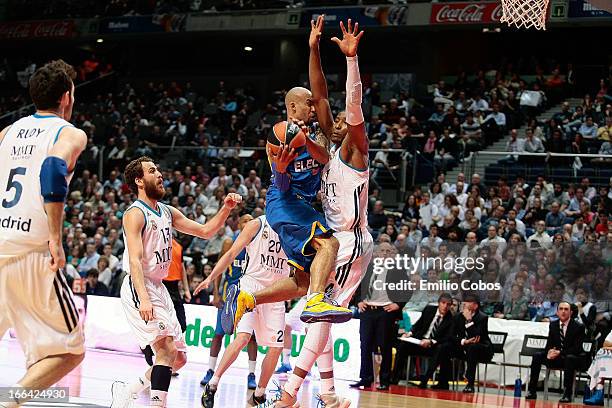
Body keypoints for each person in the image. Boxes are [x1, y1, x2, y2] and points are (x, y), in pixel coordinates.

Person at [248, 18, 373, 408]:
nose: (334, 120)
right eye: (330, 120)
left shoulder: (355, 150)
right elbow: (319, 94)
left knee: (317, 312)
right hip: (334, 238)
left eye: (340, 121)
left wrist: (351, 61)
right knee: (311, 296)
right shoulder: (327, 152)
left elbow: (351, 105)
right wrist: (314, 48)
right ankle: (326, 394)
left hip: (349, 242)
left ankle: (290, 396)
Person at [111, 156, 241, 408]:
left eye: (158, 169)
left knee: (178, 359)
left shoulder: (167, 211)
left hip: (160, 287)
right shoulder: (135, 214)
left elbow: (205, 231)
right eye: (152, 171)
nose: (159, 174)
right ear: (139, 181)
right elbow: (135, 261)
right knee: (165, 350)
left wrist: (225, 208)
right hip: (141, 286)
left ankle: (128, 390)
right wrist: (144, 297)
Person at [0, 60, 87, 408]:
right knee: (70, 351)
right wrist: (55, 237)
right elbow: (52, 168)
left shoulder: (7, 132)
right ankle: (11, 402)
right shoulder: (68, 133)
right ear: (66, 97)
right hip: (32, 251)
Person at [196, 215, 290, 407]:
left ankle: (259, 393)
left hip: (277, 292)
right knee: (243, 338)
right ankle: (213, 383)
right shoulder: (257, 224)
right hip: (250, 287)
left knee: (276, 347)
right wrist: (211, 278)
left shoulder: (295, 227)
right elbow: (230, 254)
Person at [199, 215, 258, 392]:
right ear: (239, 225)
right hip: (229, 293)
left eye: (250, 221)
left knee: (251, 337)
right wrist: (216, 294)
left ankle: (252, 374)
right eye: (244, 221)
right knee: (218, 333)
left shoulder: (257, 244)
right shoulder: (228, 242)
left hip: (249, 293)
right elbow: (220, 267)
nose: (248, 224)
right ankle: (210, 370)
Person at [526, 302, 589, 403]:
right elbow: (549, 345)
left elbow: (577, 349)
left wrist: (559, 352)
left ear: (571, 312)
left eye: (566, 309)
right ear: (557, 312)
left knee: (570, 358)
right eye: (561, 309)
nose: (563, 311)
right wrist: (550, 352)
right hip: (558, 357)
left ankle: (567, 394)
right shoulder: (553, 325)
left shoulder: (578, 327)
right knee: (537, 355)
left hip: (573, 358)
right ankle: (532, 390)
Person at [432, 293, 493, 393]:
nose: (464, 305)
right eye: (464, 303)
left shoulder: (482, 318)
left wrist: (469, 320)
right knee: (445, 347)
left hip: (480, 349)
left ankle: (470, 384)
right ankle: (443, 382)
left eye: (468, 303)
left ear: (475, 306)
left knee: (472, 348)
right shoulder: (458, 316)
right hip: (463, 346)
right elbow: (451, 335)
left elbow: (476, 337)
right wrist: (463, 341)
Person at [391, 293, 454, 387]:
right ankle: (395, 377)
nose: (445, 306)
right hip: (420, 342)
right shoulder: (429, 309)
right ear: (438, 303)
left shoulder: (451, 318)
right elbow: (418, 325)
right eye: (443, 303)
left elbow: (447, 337)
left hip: (434, 346)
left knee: (442, 349)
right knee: (403, 345)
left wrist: (431, 341)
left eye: (448, 304)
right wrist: (409, 333)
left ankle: (425, 380)